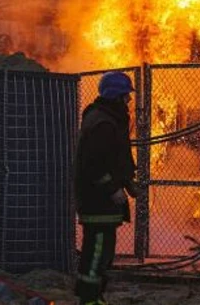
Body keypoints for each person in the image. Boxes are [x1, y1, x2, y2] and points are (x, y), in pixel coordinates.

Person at [74, 71, 138, 305]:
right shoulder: (103, 123)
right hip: (98, 202)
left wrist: (128, 183)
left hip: (101, 203)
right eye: (125, 95)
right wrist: (112, 188)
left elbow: (115, 159)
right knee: (97, 253)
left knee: (102, 253)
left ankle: (94, 296)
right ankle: (89, 300)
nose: (129, 100)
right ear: (115, 96)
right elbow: (93, 165)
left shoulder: (108, 119)